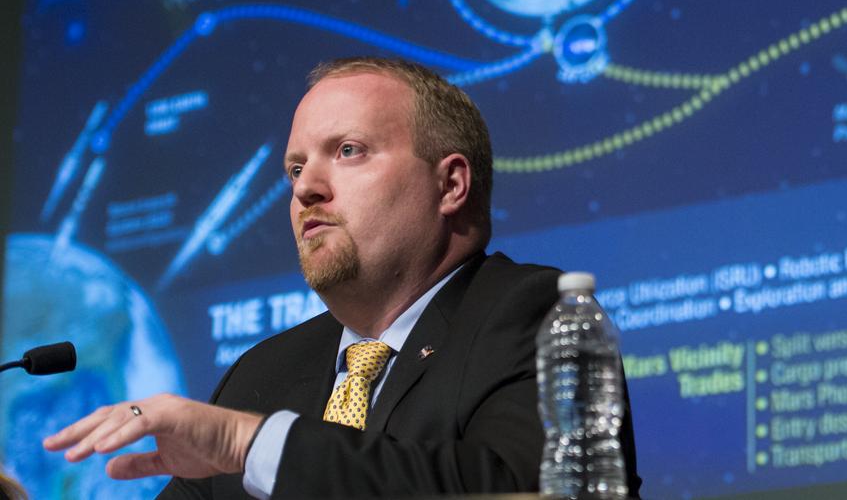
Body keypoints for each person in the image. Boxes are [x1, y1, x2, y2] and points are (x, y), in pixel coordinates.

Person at [44, 57, 642, 498]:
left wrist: (252, 446)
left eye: (348, 151)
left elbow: (519, 486)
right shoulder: (262, 374)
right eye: (296, 167)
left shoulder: (531, 316)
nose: (305, 187)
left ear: (451, 184)